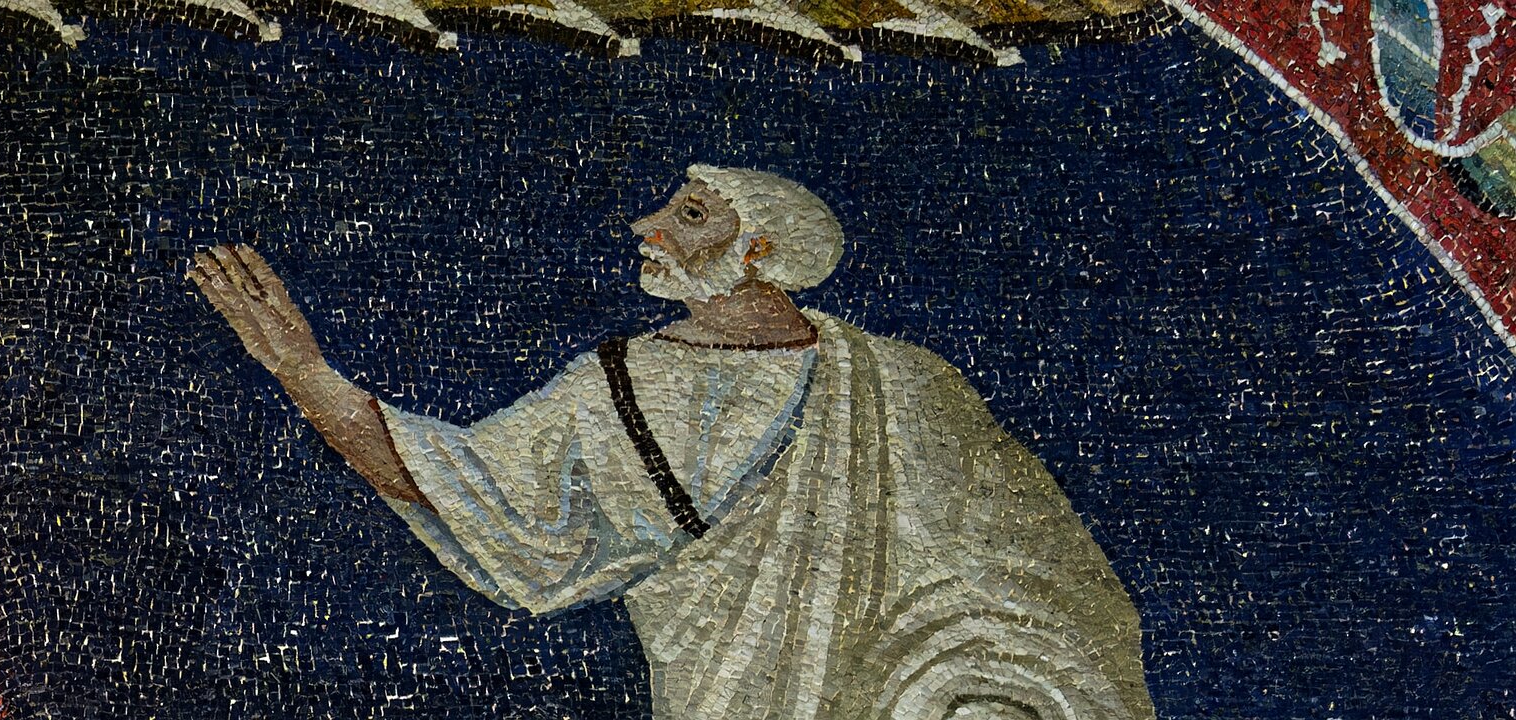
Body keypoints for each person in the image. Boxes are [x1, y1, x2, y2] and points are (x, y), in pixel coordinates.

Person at [189, 165, 1153, 720]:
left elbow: (1021, 572)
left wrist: (990, 691)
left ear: (757, 251)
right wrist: (304, 373)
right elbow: (461, 487)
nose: (647, 226)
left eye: (688, 214)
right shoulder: (615, 381)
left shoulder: (898, 383)